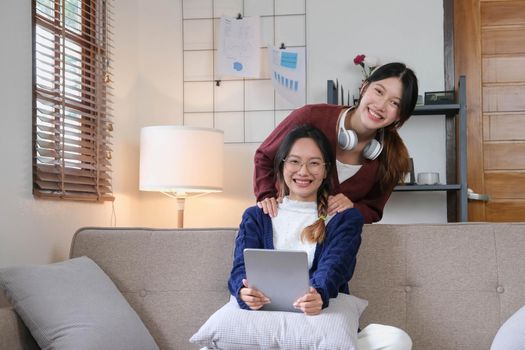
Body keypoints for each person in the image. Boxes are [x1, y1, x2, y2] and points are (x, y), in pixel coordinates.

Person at [228, 124, 412, 349]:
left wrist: (319, 293)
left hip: (322, 321)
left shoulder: (344, 218)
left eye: (314, 163)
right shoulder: (257, 215)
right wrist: (243, 291)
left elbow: (335, 267)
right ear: (282, 165)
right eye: (294, 161)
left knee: (396, 339)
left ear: (326, 170)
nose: (303, 171)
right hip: (267, 324)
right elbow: (240, 269)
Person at [254, 62, 419, 224]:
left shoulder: (393, 159)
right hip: (284, 225)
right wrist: (266, 196)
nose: (381, 105)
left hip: (336, 241)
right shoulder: (310, 117)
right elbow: (264, 156)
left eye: (394, 103)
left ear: (399, 116)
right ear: (364, 87)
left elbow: (373, 209)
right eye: (378, 91)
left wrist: (353, 208)